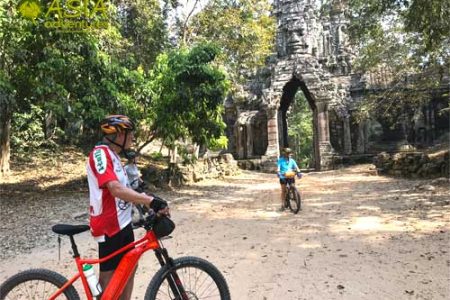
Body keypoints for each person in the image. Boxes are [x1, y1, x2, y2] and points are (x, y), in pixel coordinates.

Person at [86, 114, 168, 299]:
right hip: (109, 225)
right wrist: (149, 201)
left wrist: (152, 204)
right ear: (118, 134)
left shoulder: (114, 157)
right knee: (109, 276)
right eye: (129, 133)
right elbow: (115, 189)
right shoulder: (100, 154)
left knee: (130, 267)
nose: (132, 137)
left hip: (122, 223)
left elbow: (128, 189)